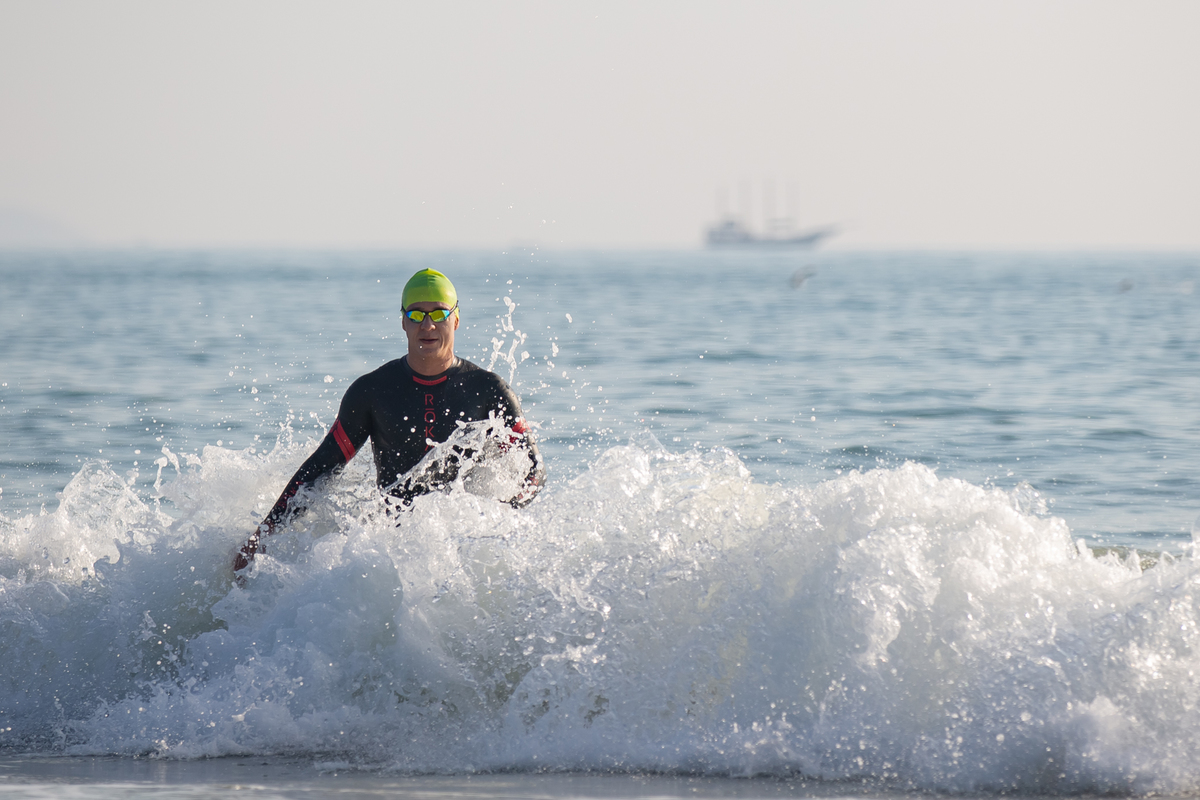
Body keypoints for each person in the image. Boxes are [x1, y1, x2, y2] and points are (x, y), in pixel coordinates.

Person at [233, 268, 544, 572]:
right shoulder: (372, 391)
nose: (428, 325)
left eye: (438, 313)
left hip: (464, 552)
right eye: (416, 314)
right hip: (391, 551)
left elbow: (533, 471)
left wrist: (499, 518)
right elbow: (320, 468)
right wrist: (265, 533)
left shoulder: (487, 390)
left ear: (456, 320)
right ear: (403, 323)